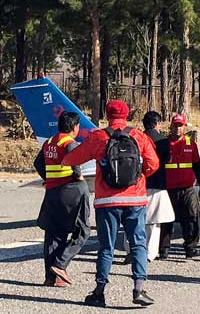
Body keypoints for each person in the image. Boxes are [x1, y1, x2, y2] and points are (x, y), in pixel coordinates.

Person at [63, 100, 159, 307]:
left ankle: (99, 291)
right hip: (135, 199)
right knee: (138, 244)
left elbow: (72, 159)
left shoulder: (99, 136)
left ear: (107, 114)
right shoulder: (138, 136)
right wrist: (139, 178)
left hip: (107, 200)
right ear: (127, 114)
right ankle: (139, 288)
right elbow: (154, 164)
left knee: (106, 247)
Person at [33, 111, 90, 288]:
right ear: (74, 127)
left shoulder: (49, 142)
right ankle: (61, 263)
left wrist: (48, 177)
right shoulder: (70, 143)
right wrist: (79, 176)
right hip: (70, 190)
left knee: (53, 233)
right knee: (83, 230)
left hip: (52, 192)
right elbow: (75, 162)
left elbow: (38, 163)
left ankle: (51, 277)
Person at [123, 111, 175, 263]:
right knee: (153, 222)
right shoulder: (163, 141)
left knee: (132, 219)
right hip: (156, 184)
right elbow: (167, 160)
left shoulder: (135, 138)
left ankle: (130, 251)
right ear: (158, 124)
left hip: (134, 184)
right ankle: (149, 254)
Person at [159, 114, 200, 259]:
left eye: (180, 126)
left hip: (187, 189)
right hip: (168, 189)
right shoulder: (163, 144)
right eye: (175, 125)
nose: (178, 129)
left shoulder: (190, 144)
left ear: (184, 127)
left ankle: (190, 247)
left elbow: (198, 167)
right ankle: (163, 249)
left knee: (192, 217)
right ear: (171, 126)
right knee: (166, 219)